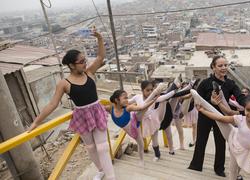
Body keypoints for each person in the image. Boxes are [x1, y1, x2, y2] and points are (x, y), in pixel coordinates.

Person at [28, 30, 116, 180]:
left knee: (102, 147)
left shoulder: (89, 73)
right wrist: (36, 121)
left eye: (84, 60)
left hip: (96, 111)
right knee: (90, 147)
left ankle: (111, 176)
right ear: (71, 65)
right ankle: (101, 170)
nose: (85, 63)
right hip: (81, 116)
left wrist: (100, 38)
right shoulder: (64, 83)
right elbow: (52, 104)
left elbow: (101, 57)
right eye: (81, 61)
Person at [191, 89, 250, 180]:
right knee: (232, 170)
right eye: (248, 110)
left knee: (238, 168)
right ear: (244, 110)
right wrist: (202, 111)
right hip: (233, 139)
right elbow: (221, 118)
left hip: (246, 150)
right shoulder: (240, 119)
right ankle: (199, 99)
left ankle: (237, 176)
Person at [188, 56, 246, 177]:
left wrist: (249, 104)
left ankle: (219, 169)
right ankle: (196, 165)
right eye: (220, 66)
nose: (224, 68)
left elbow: (240, 97)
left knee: (220, 143)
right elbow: (196, 101)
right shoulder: (205, 83)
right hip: (205, 115)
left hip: (221, 117)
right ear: (213, 67)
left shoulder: (230, 84)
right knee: (201, 140)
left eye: (225, 65)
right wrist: (211, 102)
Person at [106, 89, 159, 165]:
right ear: (116, 100)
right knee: (141, 109)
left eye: (127, 98)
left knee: (141, 144)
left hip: (135, 124)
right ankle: (153, 95)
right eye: (125, 98)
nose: (127, 100)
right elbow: (98, 108)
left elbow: (141, 108)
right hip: (130, 126)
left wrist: (154, 100)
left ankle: (141, 160)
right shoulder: (110, 109)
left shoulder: (128, 108)